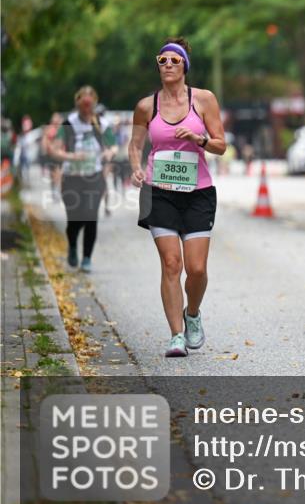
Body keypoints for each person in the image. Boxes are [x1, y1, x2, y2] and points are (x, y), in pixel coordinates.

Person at [129, 38, 226, 358]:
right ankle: (175, 335)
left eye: (174, 60)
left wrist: (199, 138)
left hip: (198, 192)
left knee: (196, 269)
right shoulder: (146, 106)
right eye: (162, 60)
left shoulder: (204, 100)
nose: (168, 65)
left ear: (185, 66)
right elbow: (135, 144)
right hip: (160, 192)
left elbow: (220, 145)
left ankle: (193, 314)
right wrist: (135, 169)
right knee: (172, 263)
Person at [50, 87, 115, 273]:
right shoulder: (68, 123)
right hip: (71, 177)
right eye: (83, 106)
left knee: (91, 216)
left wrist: (109, 153)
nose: (86, 110)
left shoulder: (101, 124)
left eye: (90, 106)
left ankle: (87, 257)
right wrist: (71, 157)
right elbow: (55, 150)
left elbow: (114, 147)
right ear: (77, 104)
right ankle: (72, 245)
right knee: (74, 219)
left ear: (94, 104)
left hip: (94, 177)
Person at [40, 113, 64, 198]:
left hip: (61, 154)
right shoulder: (49, 129)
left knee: (59, 173)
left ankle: (57, 190)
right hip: (51, 154)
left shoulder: (63, 129)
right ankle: (54, 189)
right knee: (53, 173)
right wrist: (45, 151)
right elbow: (44, 140)